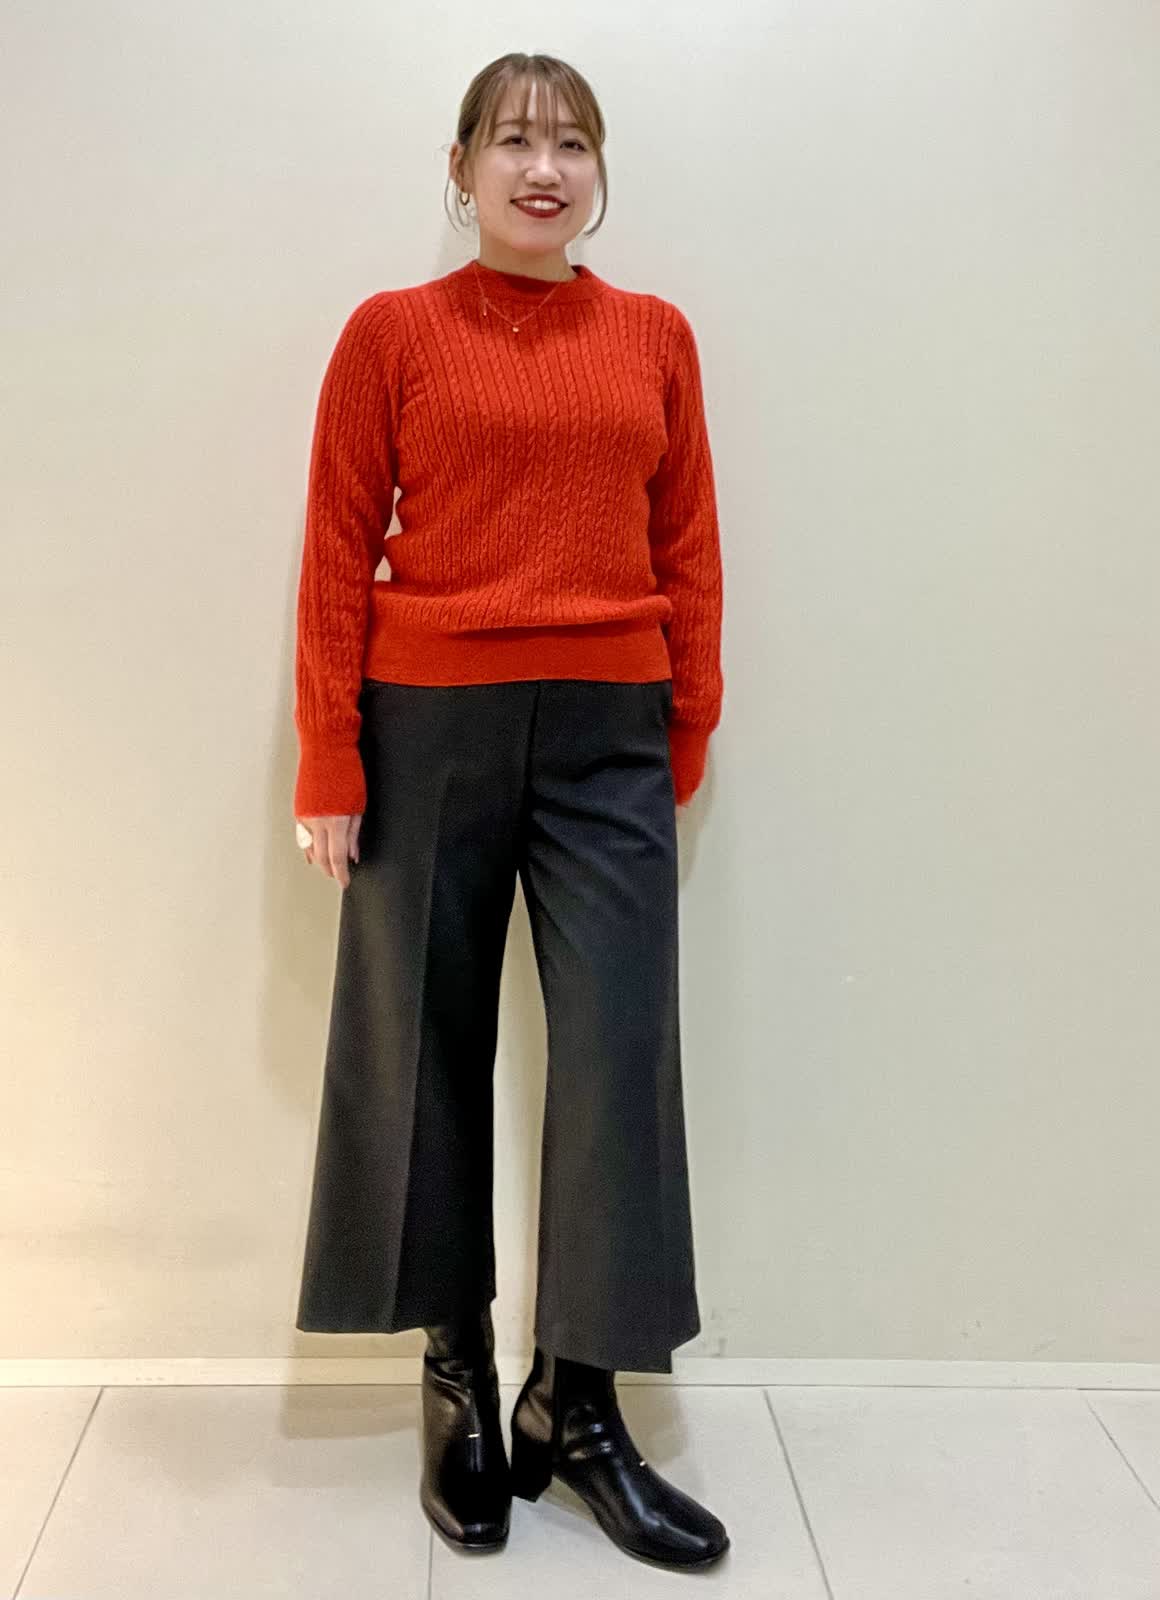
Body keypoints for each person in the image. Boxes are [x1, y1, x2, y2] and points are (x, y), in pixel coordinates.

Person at [290, 51, 729, 1570]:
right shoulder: (391, 335)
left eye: (572, 144)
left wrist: (686, 719)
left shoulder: (654, 336)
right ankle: (459, 1378)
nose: (544, 169)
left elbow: (688, 539)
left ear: (597, 172)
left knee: (617, 1061)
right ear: (462, 166)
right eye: (515, 141)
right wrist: (330, 758)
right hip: (427, 728)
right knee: (419, 1048)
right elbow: (338, 543)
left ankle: (579, 1407)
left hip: (611, 734)